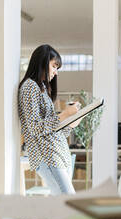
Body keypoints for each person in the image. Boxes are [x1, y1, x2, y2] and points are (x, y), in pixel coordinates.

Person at [18, 44, 81, 195]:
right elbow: (34, 128)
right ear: (42, 62)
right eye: (54, 66)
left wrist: (72, 123)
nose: (56, 72)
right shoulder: (29, 87)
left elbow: (52, 130)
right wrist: (65, 114)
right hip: (47, 156)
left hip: (57, 154)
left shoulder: (43, 89)